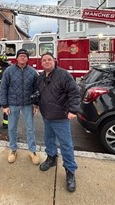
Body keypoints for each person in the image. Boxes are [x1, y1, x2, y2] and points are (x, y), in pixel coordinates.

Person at [36, 52, 80, 193]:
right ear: (41, 63)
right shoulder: (41, 77)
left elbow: (74, 92)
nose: (47, 62)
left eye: (49, 59)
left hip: (60, 116)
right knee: (48, 139)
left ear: (54, 61)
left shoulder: (63, 75)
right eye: (44, 60)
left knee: (66, 144)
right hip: (47, 115)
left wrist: (73, 110)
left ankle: (70, 172)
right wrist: (36, 103)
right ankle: (51, 158)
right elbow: (39, 93)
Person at [0, 48, 40, 165]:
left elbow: (36, 89)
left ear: (27, 58)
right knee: (12, 127)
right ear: (16, 58)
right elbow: (3, 88)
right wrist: (5, 105)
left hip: (28, 104)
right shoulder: (9, 71)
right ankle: (13, 150)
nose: (23, 57)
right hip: (12, 104)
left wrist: (36, 103)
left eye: (25, 56)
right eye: (20, 56)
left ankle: (32, 151)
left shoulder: (33, 72)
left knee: (30, 128)